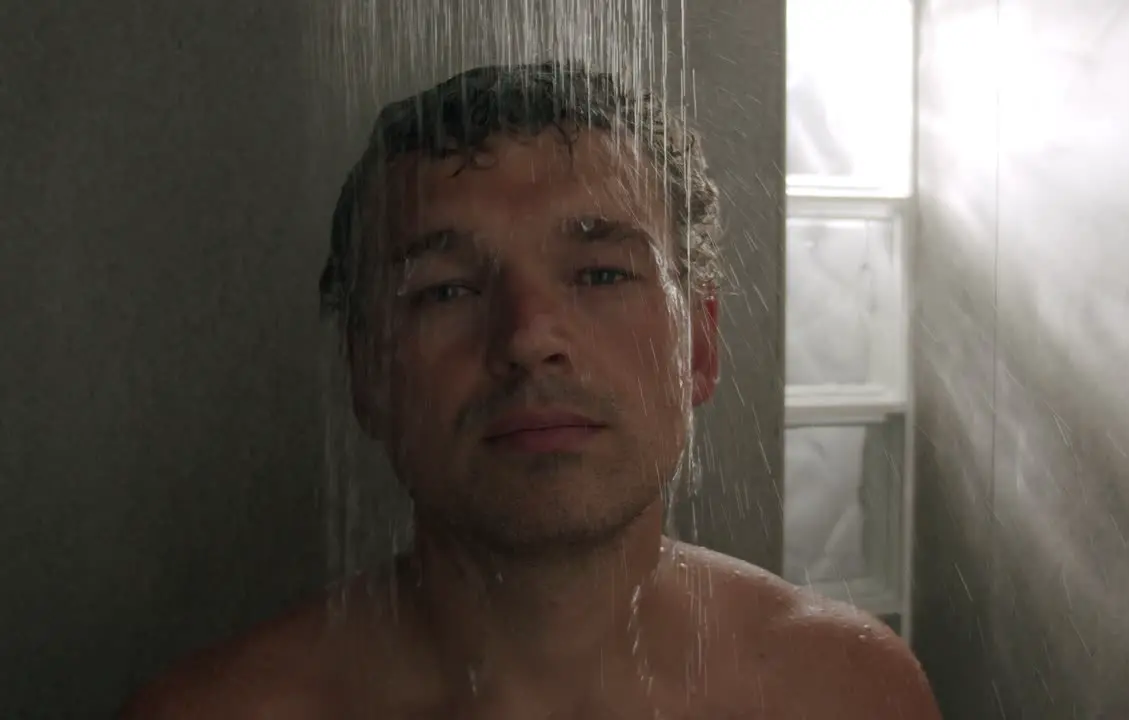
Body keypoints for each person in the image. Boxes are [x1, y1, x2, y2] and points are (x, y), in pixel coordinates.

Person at [121, 61, 941, 719]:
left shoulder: (843, 693)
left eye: (599, 273)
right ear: (367, 372)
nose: (528, 337)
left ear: (697, 344)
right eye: (445, 289)